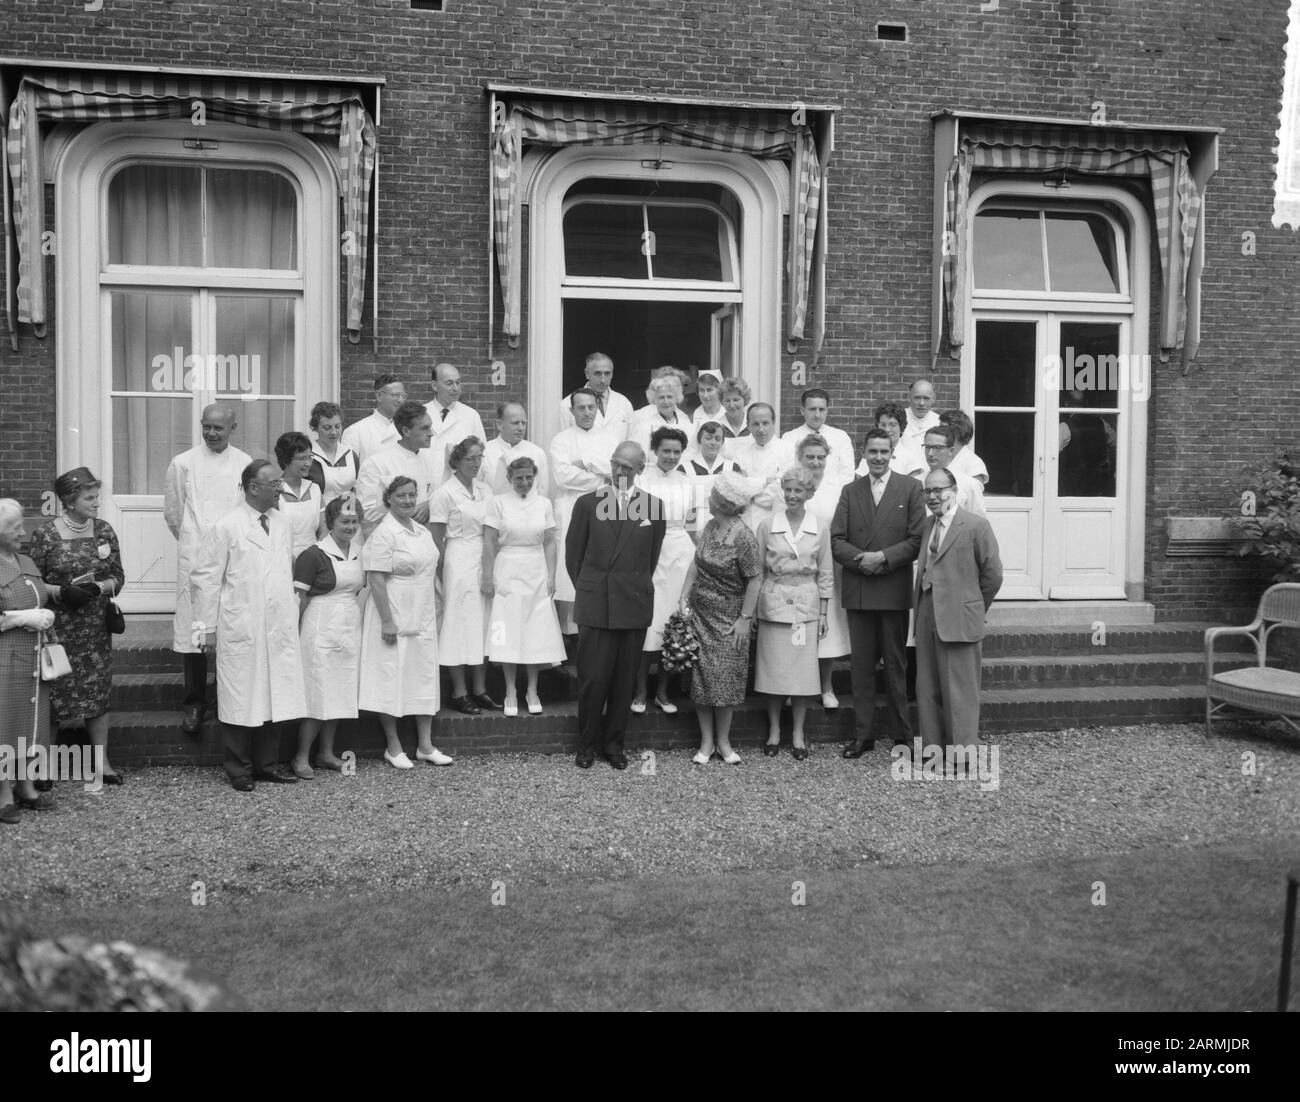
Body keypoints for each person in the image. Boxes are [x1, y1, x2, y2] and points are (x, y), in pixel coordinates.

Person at [190, 460, 306, 791]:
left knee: (274, 693)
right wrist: (205, 629)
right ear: (254, 487)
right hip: (241, 623)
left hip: (277, 624)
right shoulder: (227, 526)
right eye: (275, 484)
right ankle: (238, 768)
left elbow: (284, 569)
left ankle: (266, 764)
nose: (281, 489)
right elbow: (205, 580)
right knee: (240, 696)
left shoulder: (283, 523)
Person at [565, 441, 666, 770]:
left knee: (625, 682)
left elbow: (650, 559)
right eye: (615, 464)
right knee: (593, 680)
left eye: (627, 466)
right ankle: (587, 745)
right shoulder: (586, 504)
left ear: (640, 470)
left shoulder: (654, 507)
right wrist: (594, 589)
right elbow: (573, 558)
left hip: (633, 603)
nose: (620, 471)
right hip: (597, 604)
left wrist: (630, 586)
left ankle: (614, 745)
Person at [28, 468, 126, 785]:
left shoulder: (104, 532)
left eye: (96, 496)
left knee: (97, 695)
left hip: (95, 629)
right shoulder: (46, 535)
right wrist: (58, 592)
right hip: (59, 629)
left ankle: (102, 763)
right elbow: (32, 583)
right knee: (54, 695)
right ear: (70, 501)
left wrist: (100, 588)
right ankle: (41, 767)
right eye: (89, 497)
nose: (96, 503)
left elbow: (119, 577)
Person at [832, 428, 925, 758]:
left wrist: (883, 558)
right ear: (864, 453)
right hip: (859, 589)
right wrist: (863, 560)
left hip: (892, 588)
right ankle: (863, 736)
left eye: (884, 452)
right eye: (873, 452)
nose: (878, 458)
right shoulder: (849, 490)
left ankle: (902, 736)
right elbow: (837, 540)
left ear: (892, 453)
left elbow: (916, 540)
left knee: (896, 667)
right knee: (861, 669)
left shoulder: (911, 488)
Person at [163, 403, 251, 735]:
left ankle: (230, 700)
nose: (212, 433)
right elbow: (174, 512)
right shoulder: (183, 464)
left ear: (233, 428)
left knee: (230, 625)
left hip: (233, 556)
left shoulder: (244, 464)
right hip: (197, 554)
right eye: (206, 427)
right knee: (195, 630)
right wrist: (195, 542)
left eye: (219, 428)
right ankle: (195, 702)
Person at [358, 475, 452, 769]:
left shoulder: (422, 532)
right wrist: (387, 621)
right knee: (391, 674)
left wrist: (436, 607)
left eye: (412, 495)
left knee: (422, 673)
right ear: (389, 499)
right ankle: (393, 746)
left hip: (422, 610)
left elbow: (430, 571)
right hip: (393, 610)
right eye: (401, 496)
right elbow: (375, 577)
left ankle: (425, 745)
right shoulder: (383, 533)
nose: (408, 501)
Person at [914, 468, 1003, 768]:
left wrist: (973, 607)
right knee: (927, 687)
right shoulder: (928, 525)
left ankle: (962, 756)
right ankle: (933, 752)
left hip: (960, 617)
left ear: (954, 490)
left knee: (960, 689)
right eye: (928, 491)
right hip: (927, 613)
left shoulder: (976, 526)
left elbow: (993, 575)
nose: (934, 496)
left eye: (940, 490)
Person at [678, 473, 762, 765]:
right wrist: (684, 595)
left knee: (725, 680)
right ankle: (706, 742)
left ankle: (724, 742)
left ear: (725, 503)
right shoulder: (712, 527)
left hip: (730, 621)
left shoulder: (745, 538)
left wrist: (744, 619)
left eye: (713, 495)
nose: (709, 498)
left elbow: (755, 580)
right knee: (701, 678)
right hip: (701, 615)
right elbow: (696, 562)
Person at [753, 467, 833, 759]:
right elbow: (757, 571)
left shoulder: (819, 526)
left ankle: (798, 733)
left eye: (799, 490)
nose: (792, 495)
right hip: (773, 605)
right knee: (774, 671)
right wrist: (751, 611)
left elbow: (825, 573)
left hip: (805, 608)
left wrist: (824, 613)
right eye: (788, 490)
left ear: (809, 493)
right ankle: (774, 731)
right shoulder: (767, 525)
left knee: (801, 674)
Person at [481, 457, 566, 716]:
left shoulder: (543, 503)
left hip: (536, 570)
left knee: (535, 632)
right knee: (507, 631)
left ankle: (532, 689)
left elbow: (550, 541)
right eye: (519, 478)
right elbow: (489, 542)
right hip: (507, 569)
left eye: (529, 477)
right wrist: (487, 576)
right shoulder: (497, 502)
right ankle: (510, 691)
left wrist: (551, 575)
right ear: (509, 478)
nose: (525, 482)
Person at [291, 494, 363, 779]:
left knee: (339, 692)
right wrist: (294, 637)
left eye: (354, 521)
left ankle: (326, 753)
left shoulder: (358, 552)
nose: (350, 526)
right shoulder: (313, 555)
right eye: (344, 521)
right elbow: (300, 599)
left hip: (348, 626)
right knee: (317, 694)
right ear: (330, 523)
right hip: (319, 627)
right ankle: (300, 757)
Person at [632, 427, 697, 715]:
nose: (671, 456)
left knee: (674, 622)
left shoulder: (688, 482)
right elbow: (633, 522)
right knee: (649, 623)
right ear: (655, 450)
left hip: (681, 553)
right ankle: (640, 692)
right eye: (666, 450)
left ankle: (662, 692)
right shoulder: (640, 481)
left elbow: (693, 524)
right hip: (650, 551)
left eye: (676, 451)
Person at [430, 437, 497, 714]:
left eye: (479, 457)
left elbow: (492, 529)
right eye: (470, 458)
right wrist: (444, 573)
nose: (476, 463)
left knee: (481, 623)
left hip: (483, 557)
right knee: (458, 624)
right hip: (457, 560)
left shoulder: (485, 490)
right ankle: (459, 691)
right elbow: (436, 539)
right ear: (457, 460)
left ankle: (480, 689)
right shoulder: (445, 493)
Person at [0, 499, 57, 822]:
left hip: (33, 657)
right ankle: (3, 793)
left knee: (30, 723)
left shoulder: (25, 561)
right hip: (5, 658)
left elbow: (40, 596)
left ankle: (26, 786)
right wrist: (22, 617)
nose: (23, 532)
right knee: (4, 725)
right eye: (14, 528)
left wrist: (45, 615)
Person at [549, 389, 615, 636]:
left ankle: (595, 631)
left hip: (602, 507)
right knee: (570, 570)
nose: (587, 412)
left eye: (591, 407)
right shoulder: (561, 440)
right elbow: (563, 477)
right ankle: (570, 639)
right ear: (572, 410)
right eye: (581, 408)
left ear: (597, 407)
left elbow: (616, 471)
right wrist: (601, 477)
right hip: (571, 507)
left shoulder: (610, 439)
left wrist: (586, 462)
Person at [797, 434, 852, 708]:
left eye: (820, 457)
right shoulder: (791, 484)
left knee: (826, 626)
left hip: (829, 563)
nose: (816, 462)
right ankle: (796, 686)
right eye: (810, 457)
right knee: (798, 626)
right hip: (796, 564)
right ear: (800, 458)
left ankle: (826, 686)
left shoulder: (837, 488)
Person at [354, 401, 438, 538]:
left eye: (430, 427)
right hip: (390, 542)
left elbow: (435, 496)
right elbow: (367, 514)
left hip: (423, 540)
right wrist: (407, 512)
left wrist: (428, 505)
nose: (431, 433)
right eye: (425, 428)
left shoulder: (429, 460)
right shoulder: (377, 464)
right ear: (406, 431)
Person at [425, 362, 487, 488]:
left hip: (459, 493)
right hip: (424, 491)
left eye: (458, 383)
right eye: (449, 383)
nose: (455, 388)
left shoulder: (471, 416)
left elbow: (481, 458)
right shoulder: (421, 414)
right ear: (434, 386)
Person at [779, 388, 856, 485]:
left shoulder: (840, 437)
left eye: (821, 409)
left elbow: (847, 474)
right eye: (812, 409)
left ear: (827, 411)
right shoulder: (789, 438)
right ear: (802, 411)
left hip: (833, 496)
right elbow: (786, 472)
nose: (817, 415)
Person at [731, 403, 785, 532]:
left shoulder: (788, 450)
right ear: (748, 426)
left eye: (765, 423)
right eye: (755, 424)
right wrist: (765, 481)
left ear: (774, 423)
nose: (761, 429)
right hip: (746, 522)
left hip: (776, 523)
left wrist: (752, 493)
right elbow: (737, 489)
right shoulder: (740, 454)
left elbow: (782, 490)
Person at [684, 420, 745, 532]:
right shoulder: (685, 469)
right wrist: (692, 532)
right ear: (699, 440)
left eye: (717, 439)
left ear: (722, 442)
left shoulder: (732, 468)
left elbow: (739, 504)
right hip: (695, 527)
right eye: (708, 438)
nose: (713, 442)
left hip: (726, 527)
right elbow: (684, 505)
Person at [558, 351, 633, 439]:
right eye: (597, 373)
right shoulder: (567, 405)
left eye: (607, 373)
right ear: (587, 373)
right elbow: (563, 441)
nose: (603, 380)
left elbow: (630, 440)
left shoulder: (623, 403)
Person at [481, 402, 549, 498]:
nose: (521, 428)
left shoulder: (537, 453)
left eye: (523, 423)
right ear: (499, 424)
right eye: (515, 423)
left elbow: (542, 492)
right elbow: (477, 488)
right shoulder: (485, 452)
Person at [274, 431, 324, 558]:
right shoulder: (275, 491)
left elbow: (324, 528)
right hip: (283, 557)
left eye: (309, 457)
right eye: (302, 458)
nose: (308, 463)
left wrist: (316, 557)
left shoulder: (315, 489)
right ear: (286, 460)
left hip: (314, 557)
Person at [922, 424, 987, 519]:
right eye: (927, 447)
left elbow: (979, 525)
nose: (930, 453)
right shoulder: (917, 481)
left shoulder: (968, 484)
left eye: (938, 447)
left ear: (951, 451)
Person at [341, 373, 406, 464]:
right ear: (379, 395)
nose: (400, 400)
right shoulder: (356, 432)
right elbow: (348, 472)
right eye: (395, 395)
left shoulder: (407, 429)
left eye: (403, 396)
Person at [308, 401, 360, 509]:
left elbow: (355, 490)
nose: (334, 432)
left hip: (346, 516)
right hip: (317, 515)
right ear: (315, 428)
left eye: (337, 426)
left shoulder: (350, 455)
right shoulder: (308, 455)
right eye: (327, 428)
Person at [627, 375, 691, 456]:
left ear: (676, 398)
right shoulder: (644, 426)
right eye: (661, 397)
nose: (666, 401)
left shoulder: (685, 420)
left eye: (669, 397)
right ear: (654, 400)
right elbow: (638, 456)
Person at [857, 401, 924, 478]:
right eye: (883, 425)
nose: (887, 429)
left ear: (901, 427)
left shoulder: (910, 459)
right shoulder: (869, 454)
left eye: (892, 425)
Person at [939, 409, 990, 486]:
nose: (939, 432)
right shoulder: (936, 455)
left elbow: (973, 494)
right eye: (940, 428)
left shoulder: (974, 464)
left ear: (958, 432)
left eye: (944, 429)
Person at [899, 377, 941, 459]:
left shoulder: (939, 422)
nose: (921, 403)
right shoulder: (898, 419)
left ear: (933, 399)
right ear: (909, 397)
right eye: (917, 398)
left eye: (926, 398)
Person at [718, 376, 752, 455]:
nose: (732, 405)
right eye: (727, 400)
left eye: (736, 400)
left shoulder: (754, 424)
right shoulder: (717, 426)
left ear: (745, 399)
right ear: (722, 402)